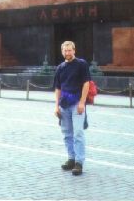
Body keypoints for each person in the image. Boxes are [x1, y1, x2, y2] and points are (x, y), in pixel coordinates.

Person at [53, 41, 91, 176]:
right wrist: (56, 106)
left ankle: (79, 162)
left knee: (78, 133)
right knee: (67, 134)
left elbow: (86, 84)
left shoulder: (81, 64)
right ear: (62, 52)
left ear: (74, 50)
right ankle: (71, 159)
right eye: (65, 50)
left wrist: (82, 102)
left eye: (70, 50)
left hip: (77, 103)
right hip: (64, 104)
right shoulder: (60, 68)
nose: (67, 53)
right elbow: (58, 88)